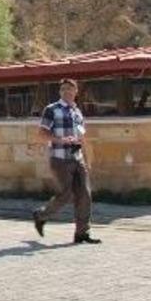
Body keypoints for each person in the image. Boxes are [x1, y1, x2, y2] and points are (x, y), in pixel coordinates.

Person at [32, 78, 101, 244]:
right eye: (63, 89)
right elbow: (41, 134)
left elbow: (82, 137)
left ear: (76, 92)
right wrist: (60, 140)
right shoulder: (52, 110)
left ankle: (82, 233)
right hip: (60, 159)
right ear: (60, 92)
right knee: (66, 194)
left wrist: (87, 159)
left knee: (85, 195)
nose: (66, 92)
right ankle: (40, 215)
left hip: (77, 159)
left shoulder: (77, 112)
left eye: (70, 89)